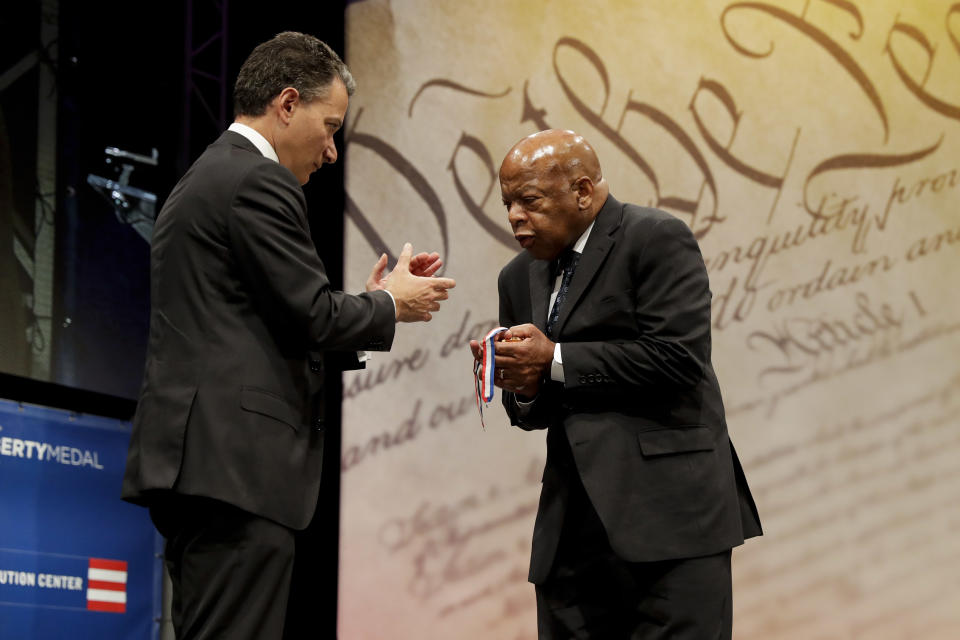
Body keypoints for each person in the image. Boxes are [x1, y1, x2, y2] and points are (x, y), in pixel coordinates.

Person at [121, 32, 455, 639]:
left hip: (204, 466)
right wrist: (387, 304)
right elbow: (311, 315)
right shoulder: (257, 180)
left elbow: (268, 314)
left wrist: (361, 301)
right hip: (237, 467)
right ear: (287, 103)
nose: (331, 151)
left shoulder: (209, 176)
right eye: (329, 128)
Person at [470, 129, 761, 639]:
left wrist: (554, 358)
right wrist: (522, 382)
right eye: (508, 203)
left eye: (529, 200)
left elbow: (678, 360)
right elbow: (532, 412)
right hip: (571, 535)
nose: (515, 216)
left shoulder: (656, 238)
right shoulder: (517, 277)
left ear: (583, 191)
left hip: (671, 521)